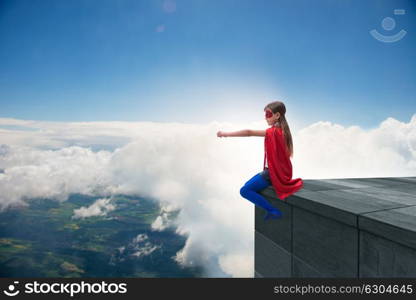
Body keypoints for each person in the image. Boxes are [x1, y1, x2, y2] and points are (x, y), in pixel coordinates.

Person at [216, 100, 304, 221]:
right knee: (248, 185)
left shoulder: (273, 132)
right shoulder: (284, 132)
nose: (265, 118)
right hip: (283, 172)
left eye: (268, 114)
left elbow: (248, 132)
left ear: (277, 115)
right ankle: (272, 208)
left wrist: (225, 134)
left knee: (244, 191)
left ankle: (273, 211)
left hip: (272, 174)